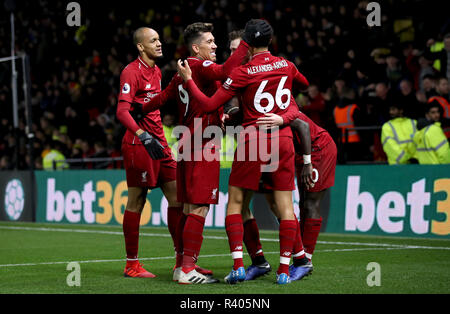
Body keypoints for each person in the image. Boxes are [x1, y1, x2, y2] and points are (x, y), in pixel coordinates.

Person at [177, 19, 310, 284]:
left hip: (252, 139)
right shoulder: (286, 65)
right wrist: (282, 114)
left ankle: (239, 264)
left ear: (247, 44)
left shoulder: (242, 72)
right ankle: (285, 268)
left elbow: (208, 103)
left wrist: (189, 81)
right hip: (282, 138)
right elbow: (302, 85)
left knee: (237, 204)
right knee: (282, 206)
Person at [134, 22, 250, 284]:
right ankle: (187, 270)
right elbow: (225, 69)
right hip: (203, 145)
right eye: (210, 42)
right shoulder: (200, 66)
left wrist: (139, 108)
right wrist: (247, 42)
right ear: (196, 48)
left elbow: (162, 98)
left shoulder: (182, 71)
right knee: (199, 209)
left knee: (188, 208)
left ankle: (181, 265)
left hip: (185, 144)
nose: (215, 45)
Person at [116, 27, 183, 278]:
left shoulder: (155, 71)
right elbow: (122, 112)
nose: (159, 43)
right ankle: (132, 264)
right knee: (138, 201)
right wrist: (143, 136)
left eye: (159, 39)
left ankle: (181, 262)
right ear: (140, 47)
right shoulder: (130, 72)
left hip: (160, 143)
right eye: (153, 40)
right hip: (139, 144)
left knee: (178, 198)